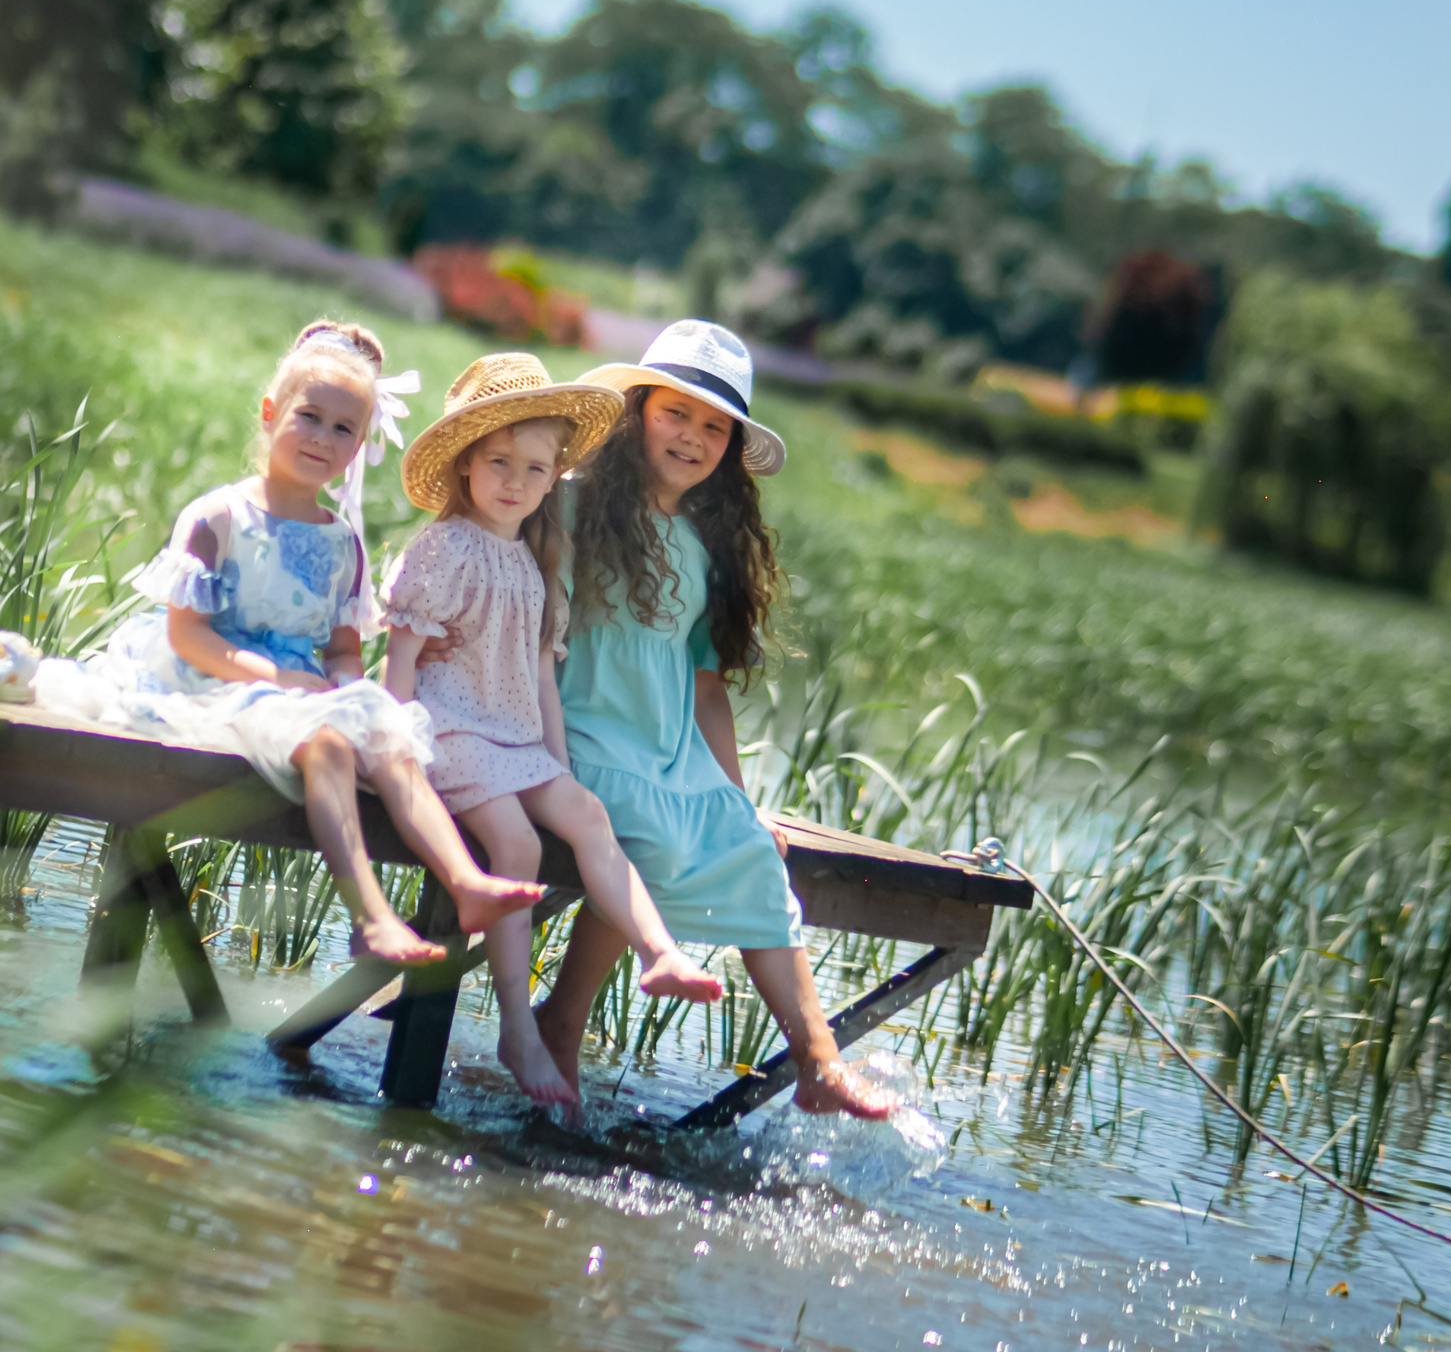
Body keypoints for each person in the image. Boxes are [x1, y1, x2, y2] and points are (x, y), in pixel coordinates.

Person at [80, 319, 546, 966]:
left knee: (388, 735)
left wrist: (356, 694)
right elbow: (186, 635)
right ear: (271, 413)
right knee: (326, 742)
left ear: (359, 446)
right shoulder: (219, 517)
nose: (324, 438)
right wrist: (276, 680)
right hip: (220, 677)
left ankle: (465, 881)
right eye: (310, 417)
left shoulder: (341, 542)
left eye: (343, 429)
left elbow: (342, 651)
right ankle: (372, 917)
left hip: (303, 686)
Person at [529, 320, 896, 1120]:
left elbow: (704, 690)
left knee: (756, 858)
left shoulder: (702, 548)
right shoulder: (568, 503)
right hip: (577, 732)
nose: (693, 437)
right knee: (648, 834)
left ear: (730, 447)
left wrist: (736, 797)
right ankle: (562, 1018)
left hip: (666, 747)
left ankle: (819, 1061)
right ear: (635, 413)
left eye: (714, 427)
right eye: (675, 414)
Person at [382, 354, 725, 1114]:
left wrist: (558, 768)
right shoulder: (442, 549)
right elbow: (400, 657)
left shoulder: (536, 559)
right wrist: (394, 742)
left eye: (535, 469)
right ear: (466, 463)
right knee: (519, 844)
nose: (515, 481)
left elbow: (541, 669)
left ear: (553, 478)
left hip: (514, 737)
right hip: (453, 728)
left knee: (589, 817)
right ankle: (516, 1026)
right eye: (498, 462)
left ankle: (659, 951)